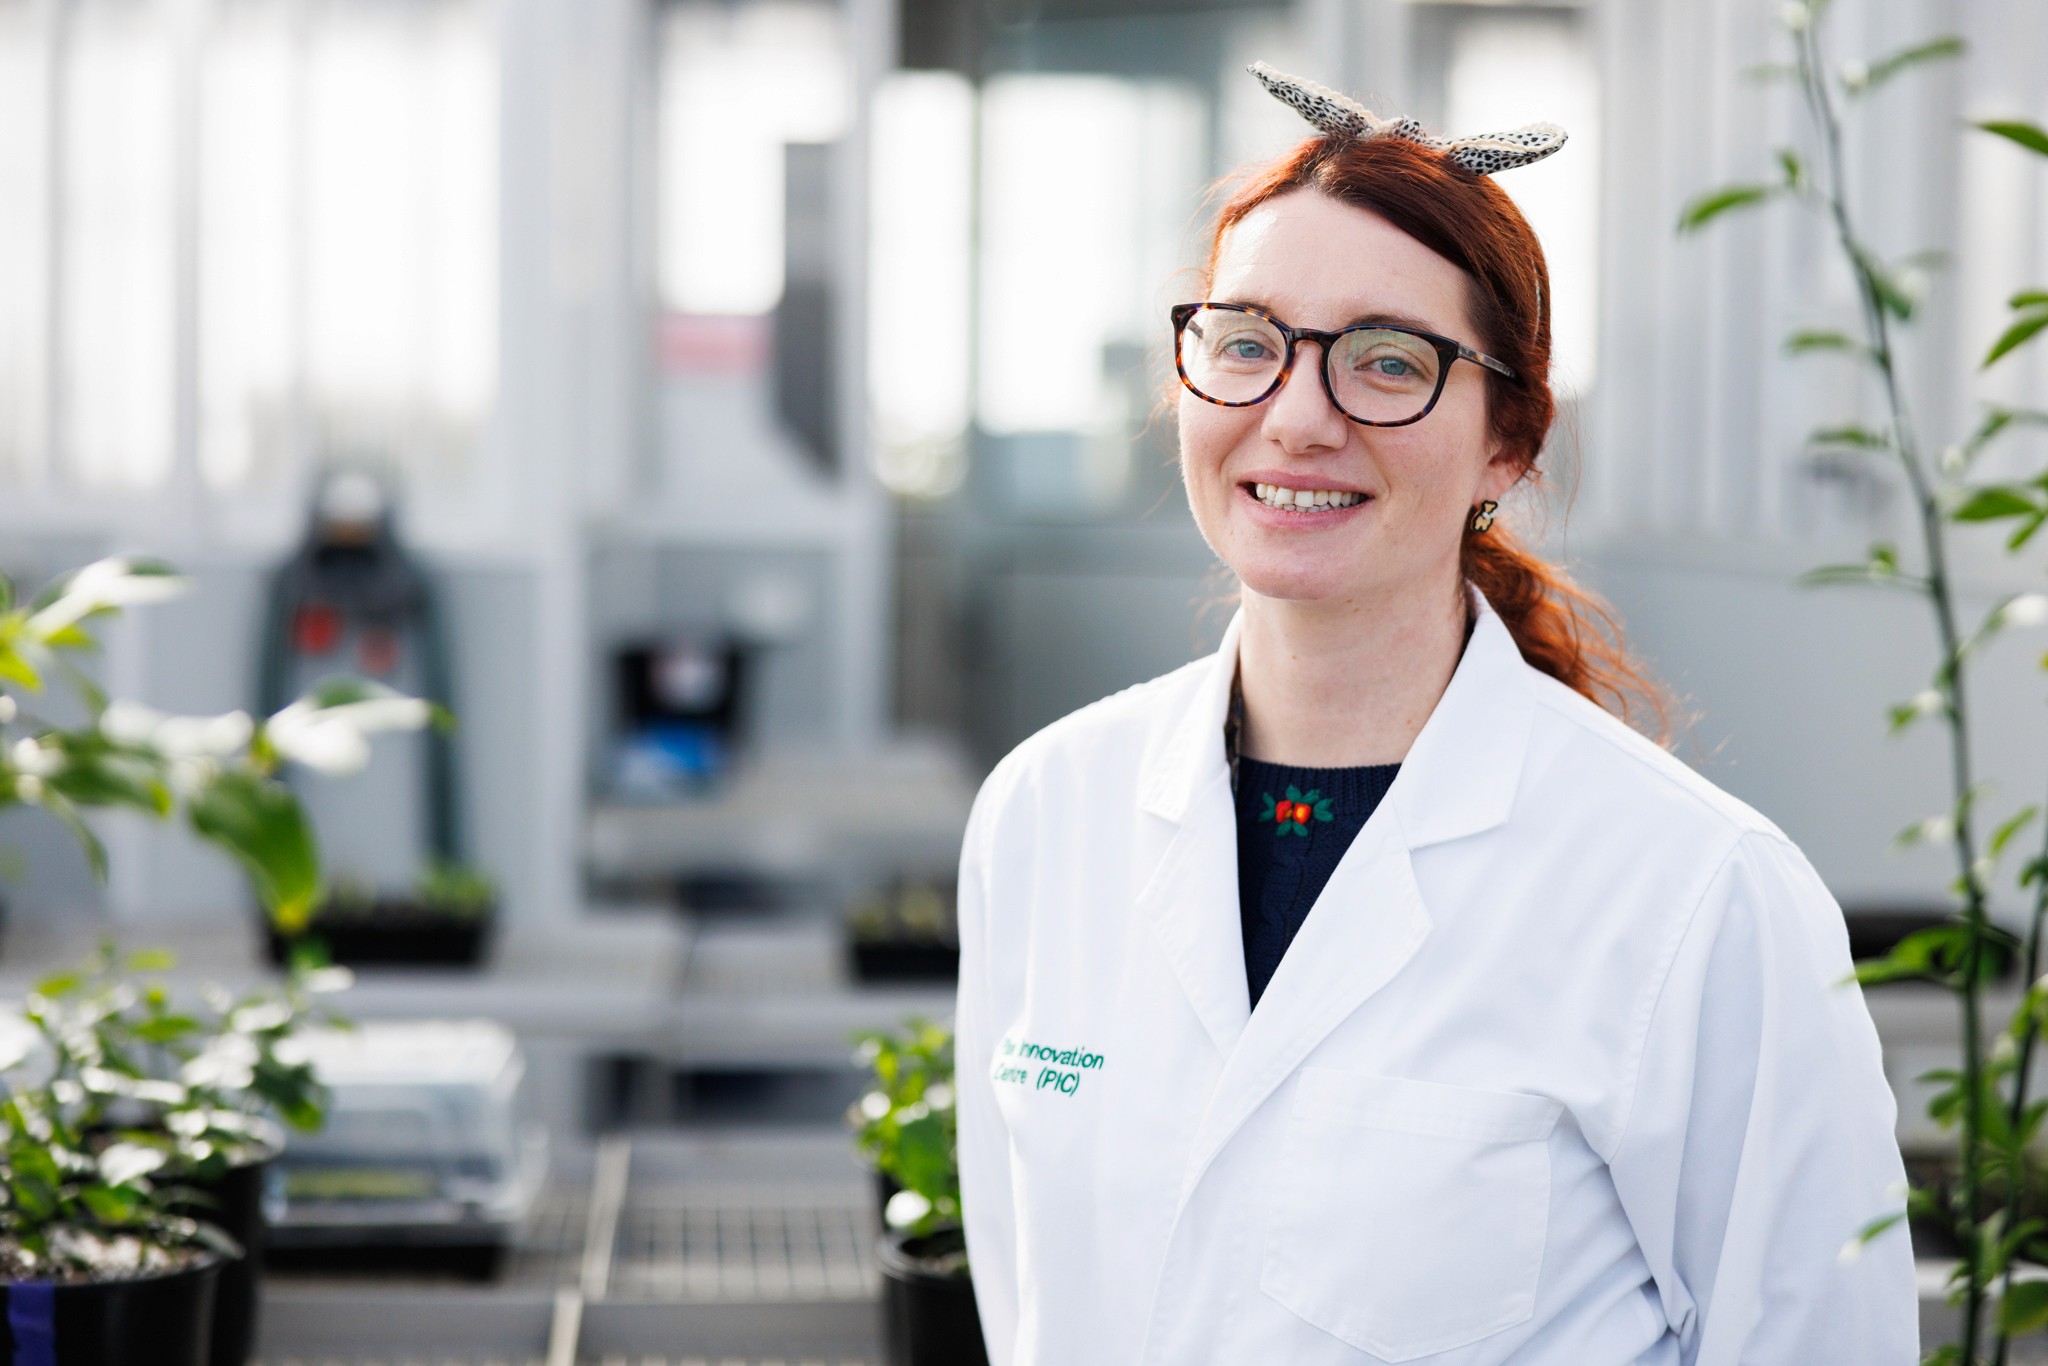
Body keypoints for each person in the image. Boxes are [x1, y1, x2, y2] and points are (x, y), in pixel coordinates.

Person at [952, 64, 1916, 1366]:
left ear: (1509, 444)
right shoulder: (1044, 813)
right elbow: (1027, 1307)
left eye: (1388, 362)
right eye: (1245, 342)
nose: (1296, 417)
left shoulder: (1700, 895)